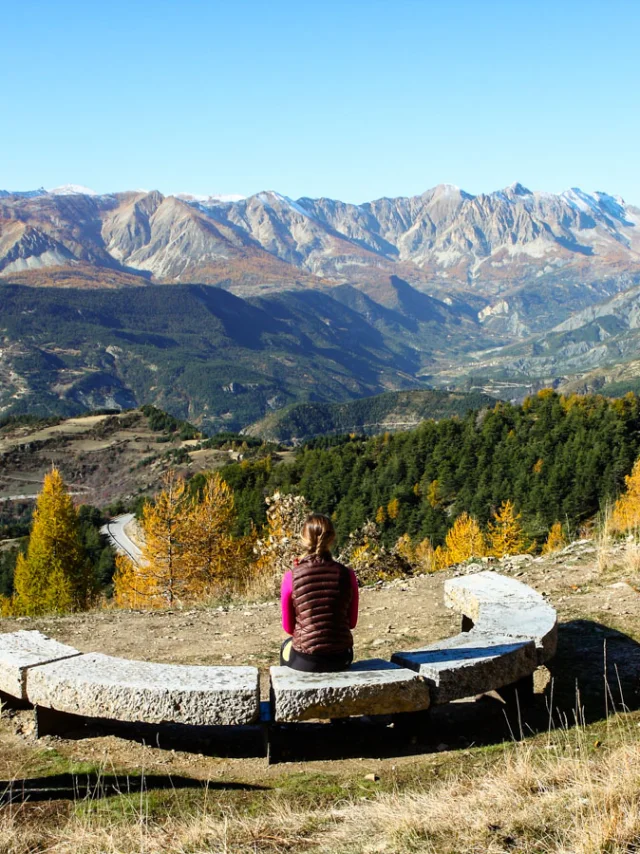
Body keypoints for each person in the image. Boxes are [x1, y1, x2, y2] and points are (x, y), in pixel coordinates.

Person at [280, 513, 359, 672]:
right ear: (332, 539)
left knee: (285, 647)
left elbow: (288, 628)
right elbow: (351, 623)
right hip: (341, 657)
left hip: (306, 660)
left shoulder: (291, 577)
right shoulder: (347, 575)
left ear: (303, 539)